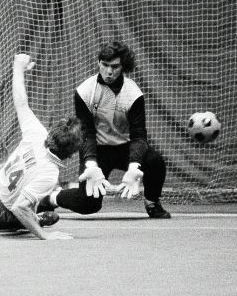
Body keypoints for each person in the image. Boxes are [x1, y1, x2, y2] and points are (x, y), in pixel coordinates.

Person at [0, 54, 85, 240]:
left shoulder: (37, 133)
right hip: (3, 206)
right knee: (14, 219)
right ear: (71, 153)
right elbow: (18, 207)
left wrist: (18, 68)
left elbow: (20, 101)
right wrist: (45, 235)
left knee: (38, 193)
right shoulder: (49, 173)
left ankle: (34, 214)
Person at [42, 41, 172, 219]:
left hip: (126, 147)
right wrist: (91, 165)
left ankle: (152, 203)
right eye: (105, 65)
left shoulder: (133, 94)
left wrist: (134, 167)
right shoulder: (85, 91)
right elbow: (86, 133)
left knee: (155, 162)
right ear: (98, 63)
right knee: (88, 204)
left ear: (123, 67)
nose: (109, 71)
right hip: (98, 149)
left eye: (115, 66)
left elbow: (139, 136)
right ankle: (49, 198)